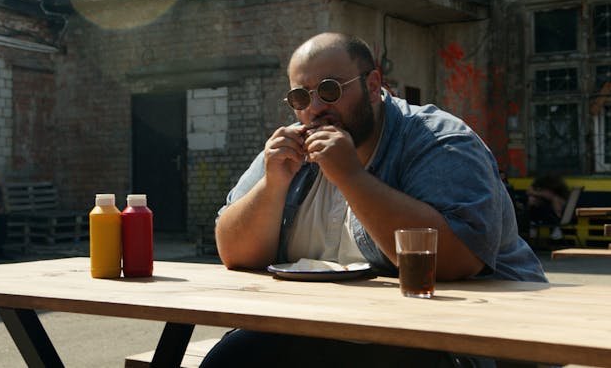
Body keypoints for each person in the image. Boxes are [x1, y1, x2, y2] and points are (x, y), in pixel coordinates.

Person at [205, 33, 546, 367]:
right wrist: (272, 185)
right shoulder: (287, 152)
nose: (316, 108)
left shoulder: (439, 140)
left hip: (457, 337)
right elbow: (235, 253)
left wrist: (351, 178)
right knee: (231, 358)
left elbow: (458, 261)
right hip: (323, 329)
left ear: (371, 86)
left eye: (329, 89)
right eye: (301, 97)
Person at [526, 173, 569, 240]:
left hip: (556, 214)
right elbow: (530, 190)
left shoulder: (559, 188)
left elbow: (551, 196)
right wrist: (541, 194)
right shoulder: (541, 183)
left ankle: (556, 226)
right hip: (543, 212)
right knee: (532, 199)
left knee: (555, 199)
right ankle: (533, 225)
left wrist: (544, 195)